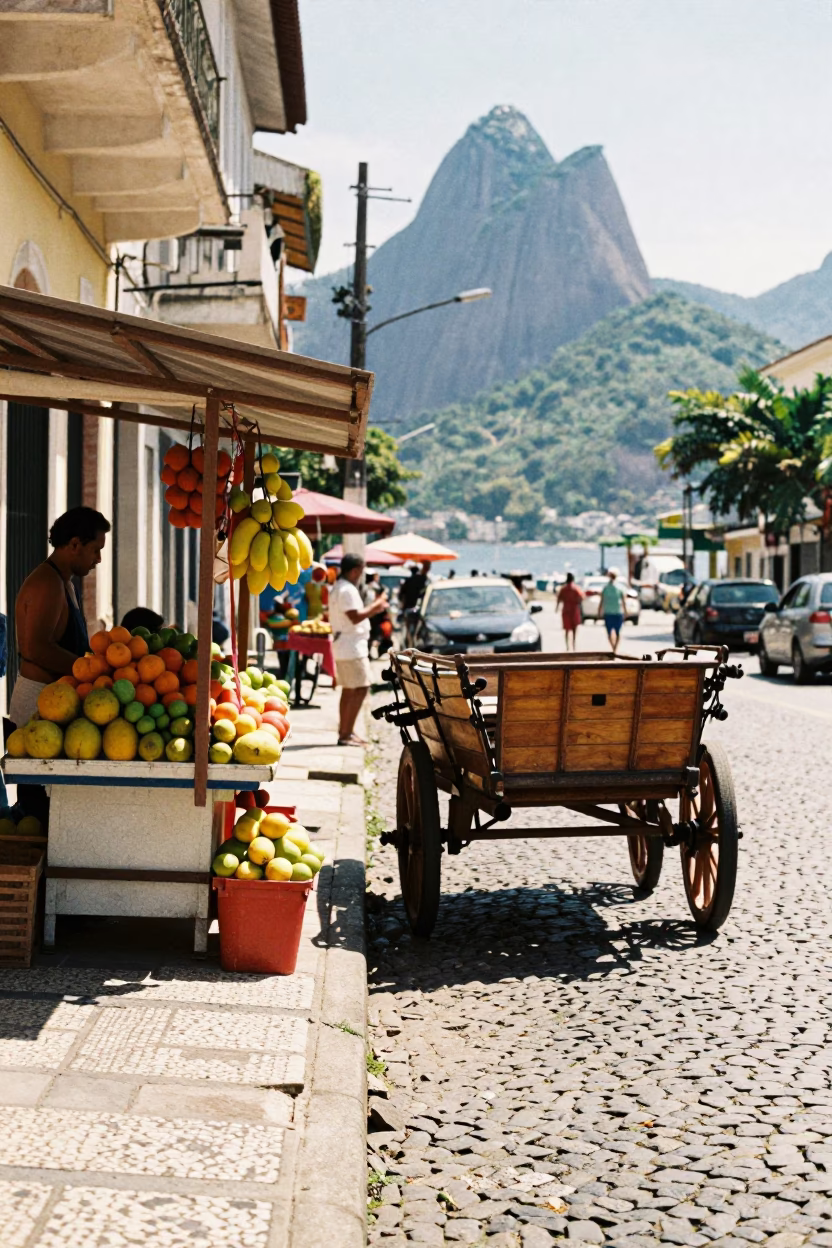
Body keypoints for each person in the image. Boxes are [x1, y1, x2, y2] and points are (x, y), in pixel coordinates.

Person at [10, 507, 110, 730]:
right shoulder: (48, 583)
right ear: (75, 545)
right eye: (95, 550)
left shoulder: (64, 583)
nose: (99, 559)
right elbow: (35, 649)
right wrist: (91, 670)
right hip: (37, 707)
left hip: (55, 703)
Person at [329, 554, 388, 745]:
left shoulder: (340, 588)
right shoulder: (346, 590)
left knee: (350, 689)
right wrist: (377, 606)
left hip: (346, 645)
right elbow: (355, 617)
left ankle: (346, 731)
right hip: (351, 646)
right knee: (360, 688)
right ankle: (346, 733)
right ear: (355, 570)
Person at [600, 567, 627, 654]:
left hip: (616, 612)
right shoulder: (606, 588)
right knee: (610, 632)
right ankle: (613, 648)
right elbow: (602, 600)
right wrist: (600, 610)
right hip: (610, 612)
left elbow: (623, 600)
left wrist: (625, 611)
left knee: (617, 631)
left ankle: (614, 649)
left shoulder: (619, 588)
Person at [556, 572, 585, 652]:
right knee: (574, 629)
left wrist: (557, 607)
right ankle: (574, 645)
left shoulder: (563, 588)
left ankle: (567, 646)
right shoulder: (576, 588)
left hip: (566, 610)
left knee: (567, 630)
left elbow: (559, 598)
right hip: (574, 610)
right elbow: (582, 597)